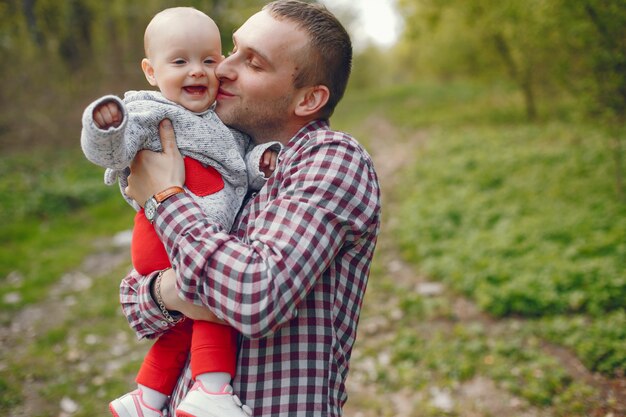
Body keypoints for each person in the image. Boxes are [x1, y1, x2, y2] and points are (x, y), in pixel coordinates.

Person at [121, 1, 381, 416]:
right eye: (232, 50)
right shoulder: (232, 159)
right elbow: (135, 301)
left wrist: (165, 198)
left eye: (253, 63)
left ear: (309, 98)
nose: (221, 69)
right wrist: (175, 291)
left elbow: (255, 296)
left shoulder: (331, 157)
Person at [80, 7, 279, 417]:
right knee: (214, 301)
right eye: (180, 61)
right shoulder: (150, 111)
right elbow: (113, 151)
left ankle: (146, 398)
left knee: (183, 323)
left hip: (191, 232)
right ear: (151, 71)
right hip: (161, 232)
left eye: (209, 60)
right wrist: (107, 126)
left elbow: (242, 163)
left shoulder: (224, 120)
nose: (197, 71)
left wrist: (264, 162)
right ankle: (212, 389)